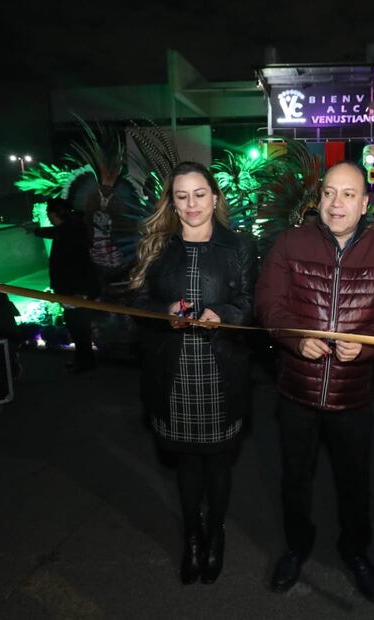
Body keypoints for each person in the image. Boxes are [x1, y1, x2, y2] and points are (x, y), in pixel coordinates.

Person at [255, 161, 374, 602]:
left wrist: (366, 345)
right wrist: (293, 337)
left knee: (354, 480)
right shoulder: (290, 242)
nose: (335, 203)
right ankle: (295, 546)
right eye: (328, 193)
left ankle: (355, 552)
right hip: (296, 392)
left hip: (353, 394)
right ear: (318, 198)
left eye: (347, 194)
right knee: (294, 478)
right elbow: (268, 303)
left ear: (364, 203)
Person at [128, 161, 256, 585]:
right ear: (172, 202)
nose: (192, 204)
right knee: (186, 464)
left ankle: (215, 533)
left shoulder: (239, 246)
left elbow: (253, 302)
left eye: (199, 194)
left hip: (222, 370)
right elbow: (138, 305)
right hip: (174, 369)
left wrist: (227, 314)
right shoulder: (158, 246)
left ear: (214, 197)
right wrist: (164, 313)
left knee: (219, 464)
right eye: (181, 196)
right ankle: (193, 538)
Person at [29, 198, 100, 372]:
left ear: (54, 214)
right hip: (73, 291)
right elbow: (55, 232)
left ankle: (85, 363)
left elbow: (76, 265)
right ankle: (82, 361)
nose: (48, 217)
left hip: (76, 292)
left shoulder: (70, 232)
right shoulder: (69, 230)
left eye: (49, 214)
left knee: (79, 329)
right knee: (76, 328)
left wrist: (76, 292)